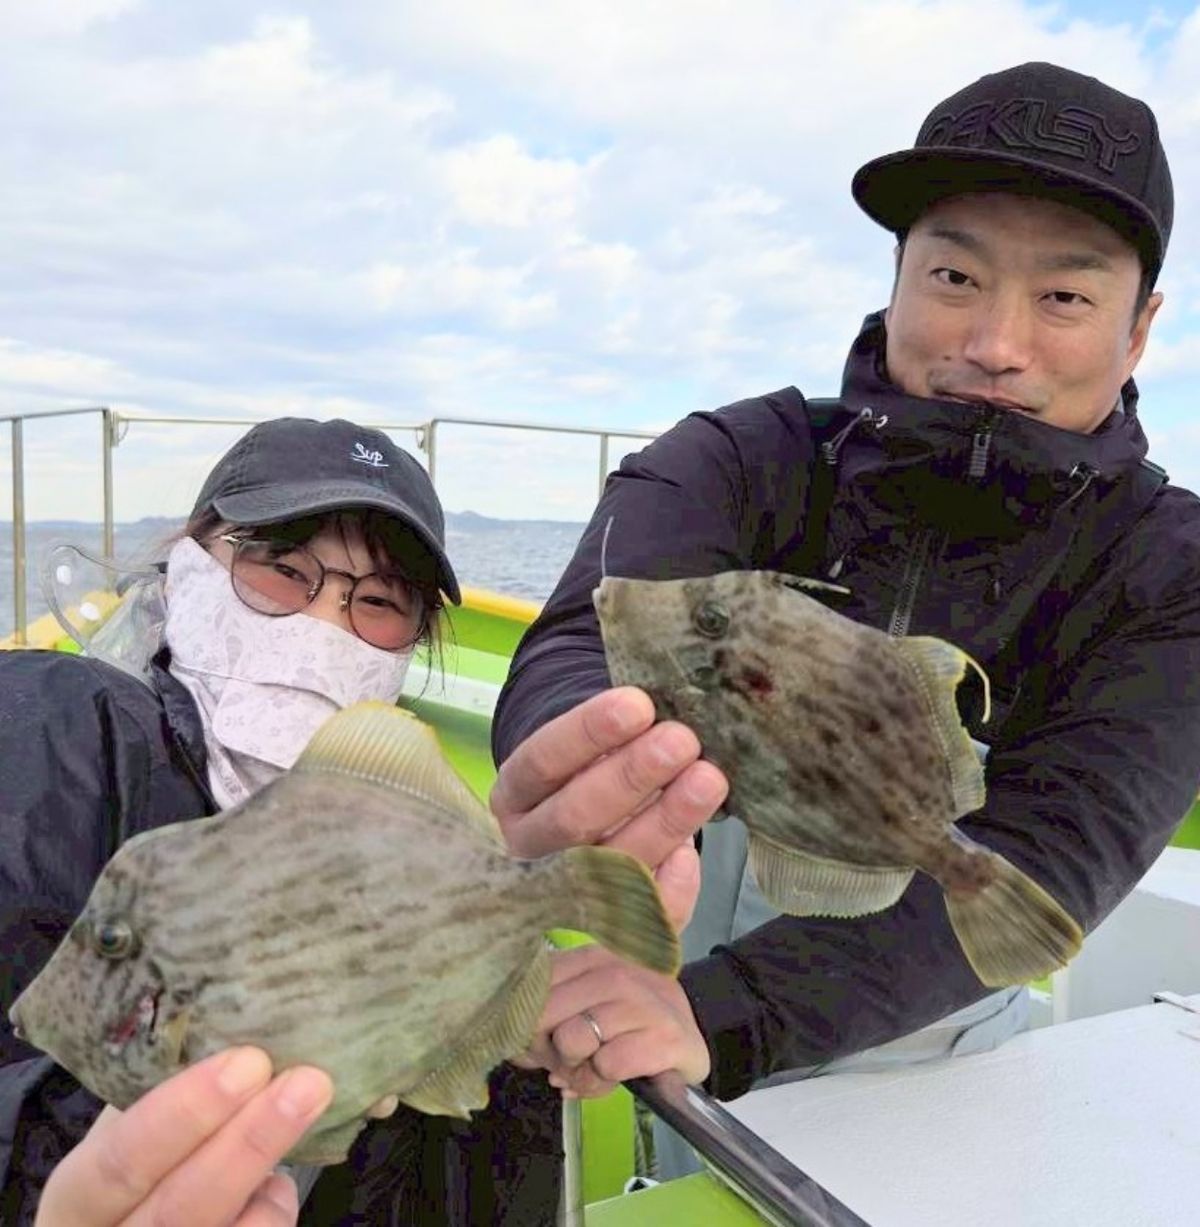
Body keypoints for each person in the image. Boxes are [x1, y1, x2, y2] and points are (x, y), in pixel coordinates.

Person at [491, 61, 1200, 1175]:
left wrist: (727, 1012)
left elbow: (1061, 841)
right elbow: (592, 628)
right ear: (899, 276)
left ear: (1140, 326)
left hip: (946, 1052)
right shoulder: (740, 457)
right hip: (673, 1008)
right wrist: (582, 754)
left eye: (1064, 296)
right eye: (955, 274)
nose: (996, 341)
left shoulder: (1171, 566)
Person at [0, 417, 556, 1224]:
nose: (323, 625)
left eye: (375, 602)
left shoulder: (408, 845)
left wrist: (511, 1039)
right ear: (190, 565)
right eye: (282, 569)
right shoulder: (60, 726)